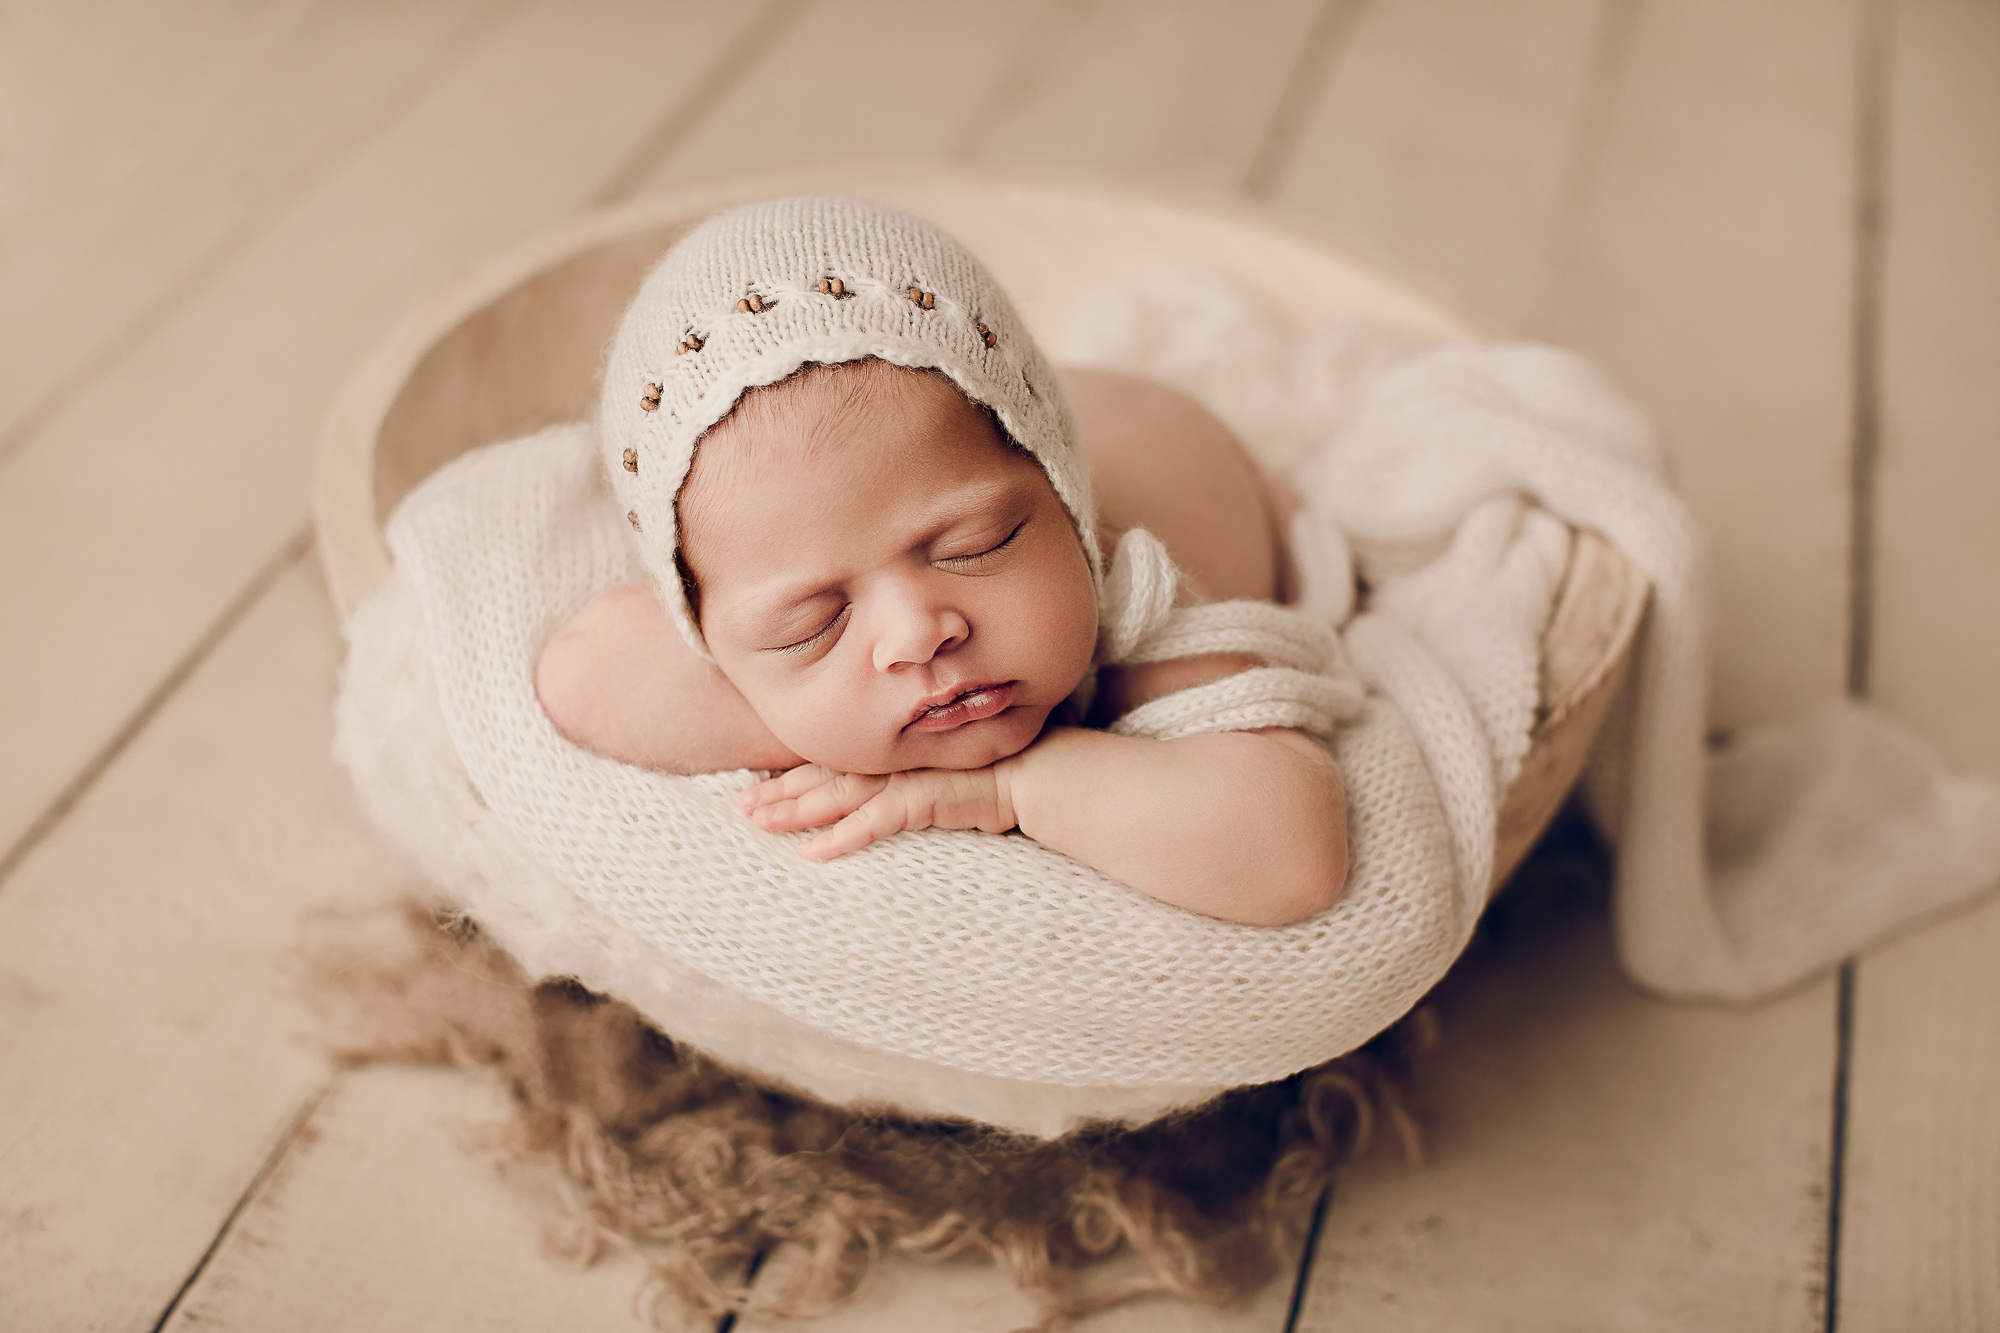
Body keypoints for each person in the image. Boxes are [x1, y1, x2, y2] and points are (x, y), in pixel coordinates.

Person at [533, 197, 1350, 926]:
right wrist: (821, 721)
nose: (916, 634)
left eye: (974, 547)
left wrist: (1008, 787)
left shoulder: (1144, 600)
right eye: (811, 624)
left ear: (1067, 510)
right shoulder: (773, 613)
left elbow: (1294, 854)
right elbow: (584, 674)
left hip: (1197, 454)